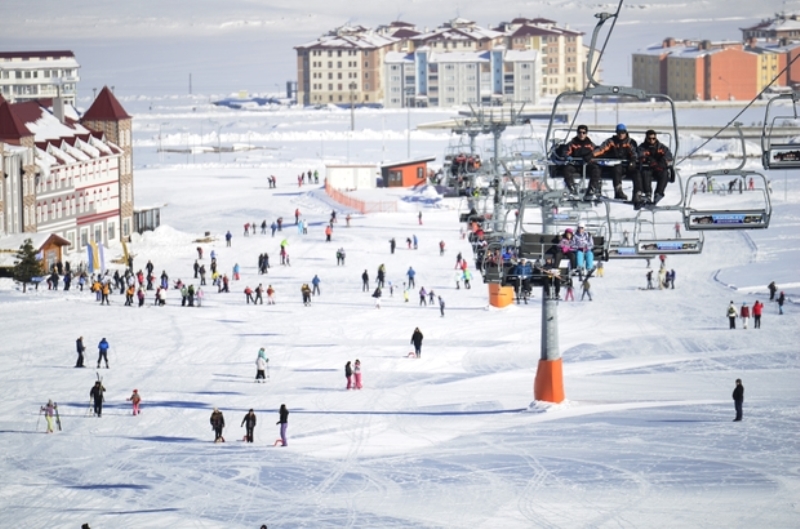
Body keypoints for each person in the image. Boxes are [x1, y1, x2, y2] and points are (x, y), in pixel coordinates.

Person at [592, 123, 639, 201]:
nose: (621, 135)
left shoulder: (630, 142)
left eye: (623, 132)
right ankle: (618, 191)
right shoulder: (611, 141)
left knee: (637, 173)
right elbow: (601, 150)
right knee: (617, 168)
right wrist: (591, 155)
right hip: (615, 166)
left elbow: (634, 153)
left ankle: (637, 194)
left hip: (628, 166)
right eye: (619, 132)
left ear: (626, 132)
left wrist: (633, 161)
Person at [562, 124, 601, 200]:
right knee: (567, 169)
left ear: (586, 133)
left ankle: (591, 190)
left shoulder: (590, 144)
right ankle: (572, 189)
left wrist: (590, 156)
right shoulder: (573, 143)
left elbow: (597, 151)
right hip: (576, 164)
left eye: (584, 132)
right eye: (579, 132)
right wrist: (568, 157)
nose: (581, 134)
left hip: (587, 164)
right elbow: (565, 152)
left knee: (596, 170)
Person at [637, 130, 673, 206]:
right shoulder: (642, 147)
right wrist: (648, 159)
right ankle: (648, 194)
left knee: (664, 173)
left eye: (653, 138)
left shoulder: (661, 147)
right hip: (648, 168)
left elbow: (669, 155)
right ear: (646, 138)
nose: (652, 140)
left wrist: (662, 161)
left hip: (658, 168)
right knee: (645, 173)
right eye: (649, 139)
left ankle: (658, 193)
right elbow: (640, 155)